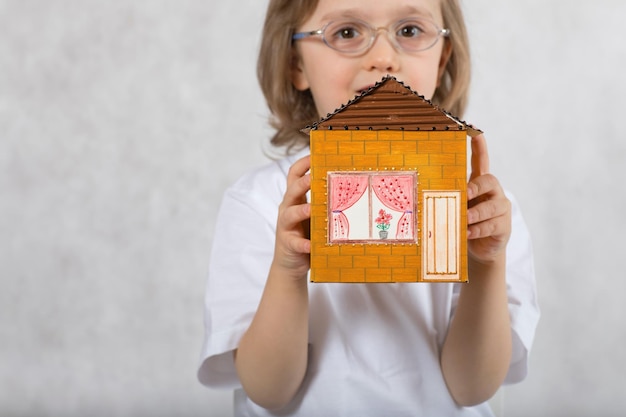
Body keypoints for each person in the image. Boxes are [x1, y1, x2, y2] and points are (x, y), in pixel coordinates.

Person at [198, 0, 539, 415]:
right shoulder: (260, 202)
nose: (383, 58)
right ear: (296, 64)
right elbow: (268, 390)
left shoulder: (484, 210)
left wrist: (485, 265)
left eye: (410, 30)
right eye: (346, 32)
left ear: (443, 55)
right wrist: (287, 271)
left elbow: (472, 387)